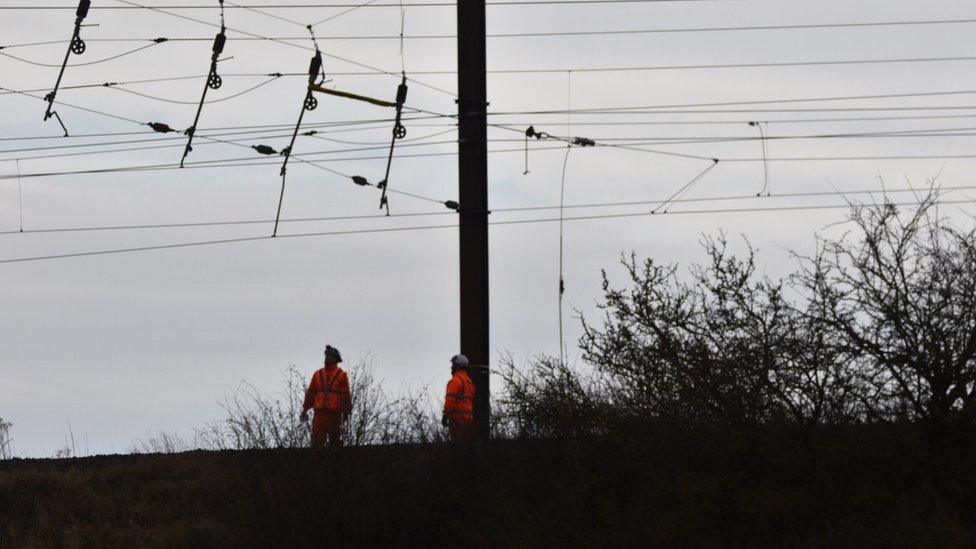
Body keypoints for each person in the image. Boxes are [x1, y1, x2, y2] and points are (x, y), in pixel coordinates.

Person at [300, 345, 352, 448]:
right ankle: (318, 463)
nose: (327, 358)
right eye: (326, 356)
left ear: (335, 359)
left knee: (335, 443)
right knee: (316, 444)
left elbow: (345, 395)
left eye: (329, 356)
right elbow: (311, 393)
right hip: (319, 415)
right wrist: (305, 409)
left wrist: (346, 412)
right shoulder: (318, 374)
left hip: (334, 414)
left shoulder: (342, 375)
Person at [442, 354, 476, 441]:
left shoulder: (455, 381)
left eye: (453, 365)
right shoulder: (470, 383)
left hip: (457, 422)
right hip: (469, 422)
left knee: (457, 449)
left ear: (457, 366)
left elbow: (450, 401)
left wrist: (445, 416)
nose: (451, 368)